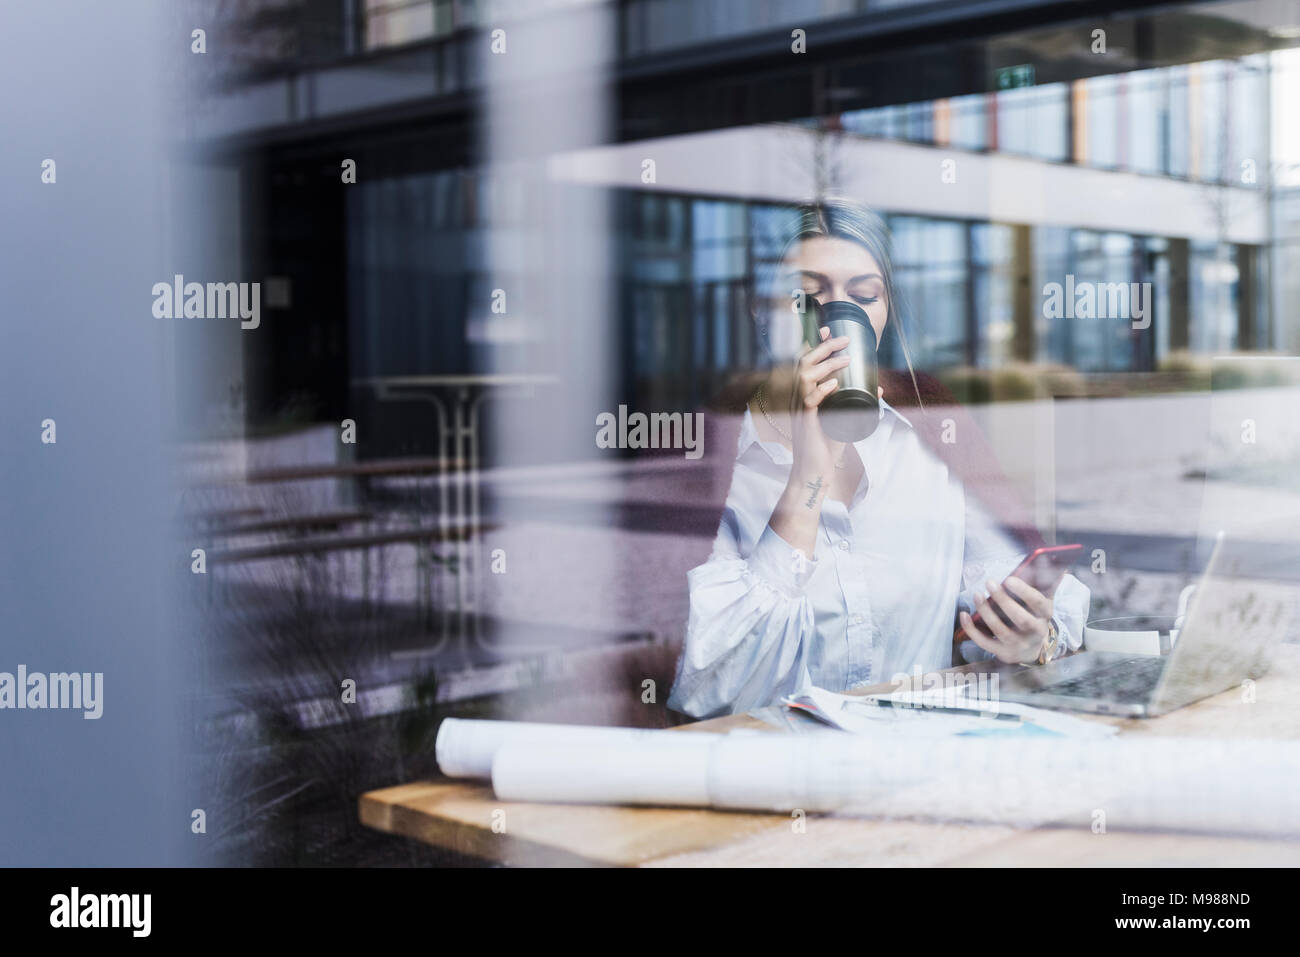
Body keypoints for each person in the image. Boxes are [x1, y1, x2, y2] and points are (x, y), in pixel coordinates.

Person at [667, 200, 1089, 719]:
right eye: (807, 295)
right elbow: (709, 691)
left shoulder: (931, 430)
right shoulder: (718, 455)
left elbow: (1005, 593)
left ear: (884, 312)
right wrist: (810, 470)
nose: (837, 316)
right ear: (764, 313)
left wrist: (1028, 639)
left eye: (863, 295)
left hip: (918, 764)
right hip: (771, 774)